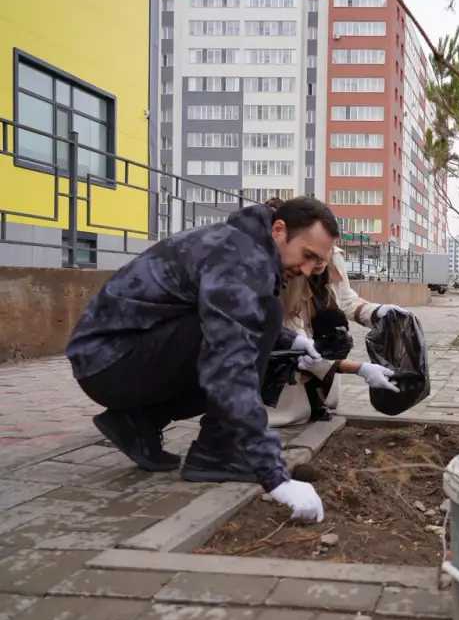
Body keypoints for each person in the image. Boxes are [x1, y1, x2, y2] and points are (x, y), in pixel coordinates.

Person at [66, 197, 347, 523]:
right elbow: (229, 365)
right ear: (279, 230)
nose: (306, 270)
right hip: (108, 361)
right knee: (242, 347)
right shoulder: (237, 258)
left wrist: (293, 341)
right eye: (307, 256)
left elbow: (228, 316)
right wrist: (275, 476)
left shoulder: (243, 247)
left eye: (318, 263)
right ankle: (217, 451)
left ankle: (138, 423)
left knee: (262, 328)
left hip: (116, 357)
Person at [266, 266, 400, 427]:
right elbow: (287, 337)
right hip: (285, 346)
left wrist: (375, 311)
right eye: (310, 255)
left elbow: (346, 299)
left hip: (312, 336)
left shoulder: (332, 257)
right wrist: (359, 368)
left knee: (334, 322)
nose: (319, 261)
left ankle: (317, 399)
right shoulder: (281, 267)